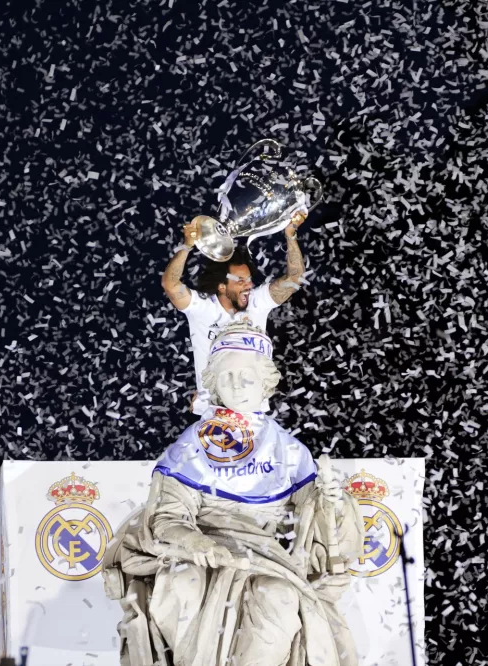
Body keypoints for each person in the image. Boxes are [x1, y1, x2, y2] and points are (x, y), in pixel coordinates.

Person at [101, 322, 363, 666]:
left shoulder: (290, 452)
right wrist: (196, 543)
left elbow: (317, 528)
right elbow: (166, 517)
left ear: (266, 383)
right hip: (201, 554)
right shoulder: (192, 446)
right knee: (182, 585)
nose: (237, 384)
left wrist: (333, 501)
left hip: (268, 559)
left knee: (278, 596)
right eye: (226, 377)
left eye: (247, 377)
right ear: (214, 385)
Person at [161, 211, 307, 415]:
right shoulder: (202, 307)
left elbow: (295, 277)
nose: (248, 286)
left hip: (254, 411)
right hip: (213, 412)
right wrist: (187, 246)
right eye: (240, 281)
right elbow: (170, 284)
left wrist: (290, 235)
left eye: (248, 280)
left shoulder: (257, 302)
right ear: (222, 287)